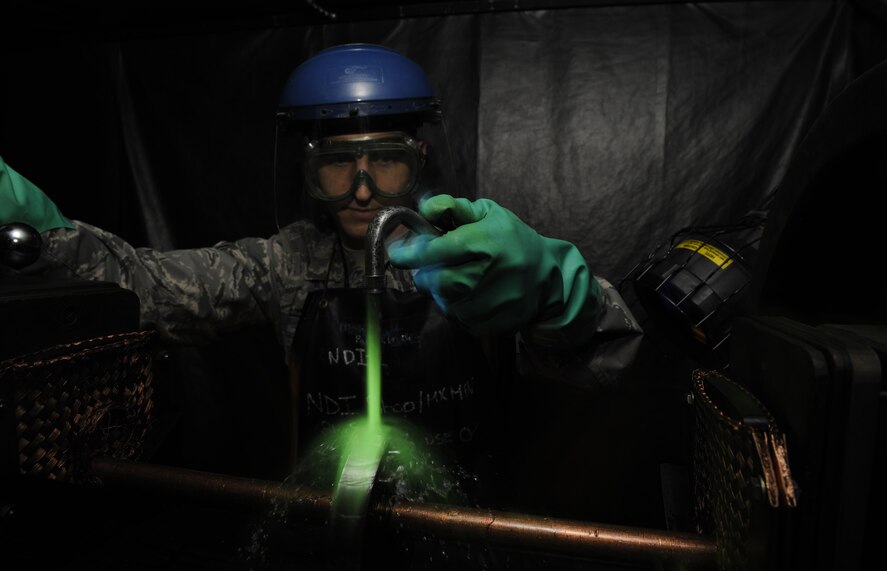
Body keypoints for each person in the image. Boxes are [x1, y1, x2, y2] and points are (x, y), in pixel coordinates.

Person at [0, 43, 642, 503]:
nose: (362, 191)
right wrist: (49, 242)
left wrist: (556, 298)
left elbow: (610, 361)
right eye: (337, 166)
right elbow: (153, 289)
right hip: (330, 514)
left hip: (472, 521)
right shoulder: (287, 263)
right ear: (309, 173)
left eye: (385, 163)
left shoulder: (471, 256)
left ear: (418, 161)